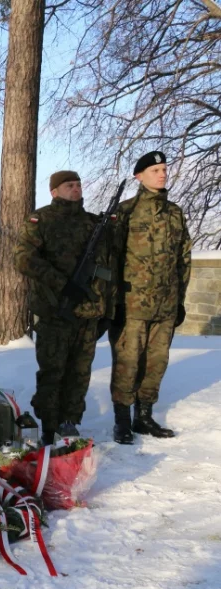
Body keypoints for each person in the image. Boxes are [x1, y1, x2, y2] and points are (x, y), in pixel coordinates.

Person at [13, 171, 114, 445]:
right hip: (54, 310)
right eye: (69, 185)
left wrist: (107, 310)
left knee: (79, 372)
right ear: (54, 191)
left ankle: (69, 422)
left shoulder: (93, 223)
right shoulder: (41, 219)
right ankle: (49, 424)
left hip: (88, 313)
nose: (76, 189)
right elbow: (23, 259)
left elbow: (108, 268)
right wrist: (61, 283)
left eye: (79, 184)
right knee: (52, 370)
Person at [109, 151, 191, 444]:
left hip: (165, 305)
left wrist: (179, 299)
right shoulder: (125, 212)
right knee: (127, 363)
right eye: (155, 169)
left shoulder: (175, 213)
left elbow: (184, 259)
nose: (162, 174)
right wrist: (114, 302)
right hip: (132, 306)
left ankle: (143, 417)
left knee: (157, 363)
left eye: (164, 169)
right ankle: (122, 421)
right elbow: (110, 261)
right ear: (139, 176)